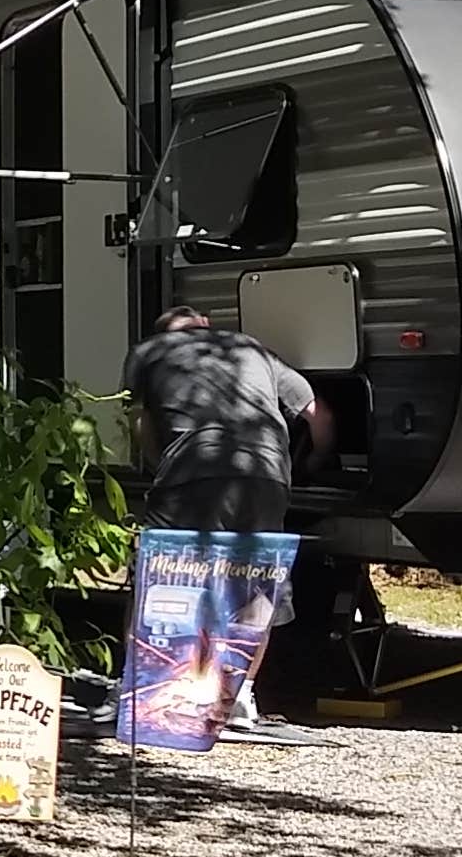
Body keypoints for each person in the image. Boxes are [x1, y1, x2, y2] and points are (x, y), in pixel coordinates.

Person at [124, 306, 326, 728]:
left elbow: (139, 423)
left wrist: (159, 464)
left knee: (164, 573)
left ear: (165, 332)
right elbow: (316, 413)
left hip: (191, 471)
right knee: (257, 584)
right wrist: (316, 463)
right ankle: (238, 698)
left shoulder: (149, 351)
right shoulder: (250, 349)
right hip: (268, 475)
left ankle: (156, 685)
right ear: (205, 325)